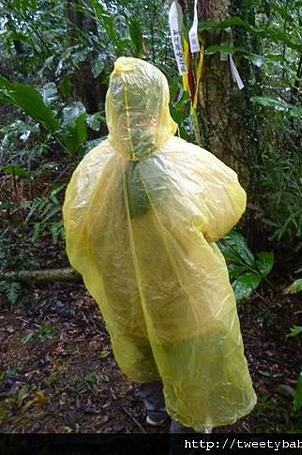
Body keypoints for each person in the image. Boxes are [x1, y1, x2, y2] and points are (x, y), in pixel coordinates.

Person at [62, 56, 256, 432]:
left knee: (144, 352)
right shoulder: (180, 164)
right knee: (186, 368)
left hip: (126, 297)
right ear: (159, 103)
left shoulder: (93, 168)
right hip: (181, 299)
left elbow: (79, 231)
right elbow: (226, 209)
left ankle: (155, 411)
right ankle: (184, 427)